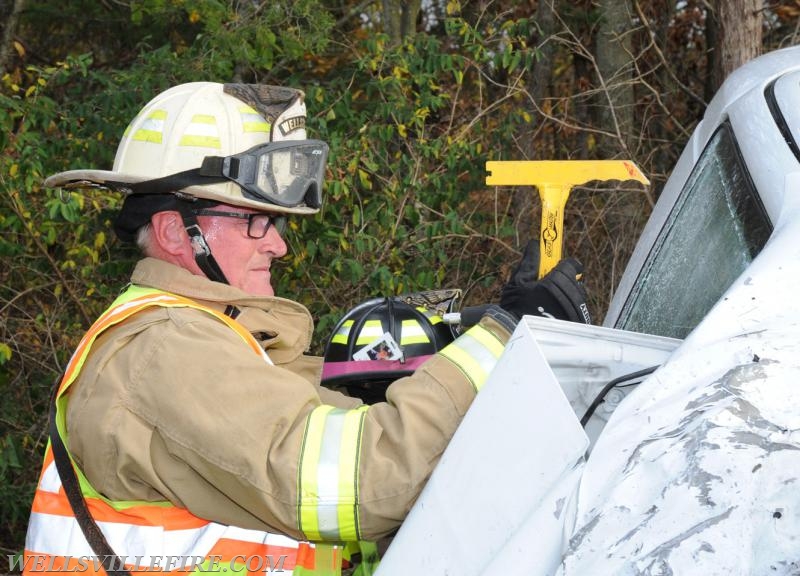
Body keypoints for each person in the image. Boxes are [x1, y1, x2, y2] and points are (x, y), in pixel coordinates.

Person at [24, 82, 590, 575]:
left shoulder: (216, 339)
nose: (278, 243)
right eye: (255, 222)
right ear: (176, 232)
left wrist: (448, 348)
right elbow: (363, 481)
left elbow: (325, 415)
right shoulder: (166, 349)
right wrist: (501, 340)